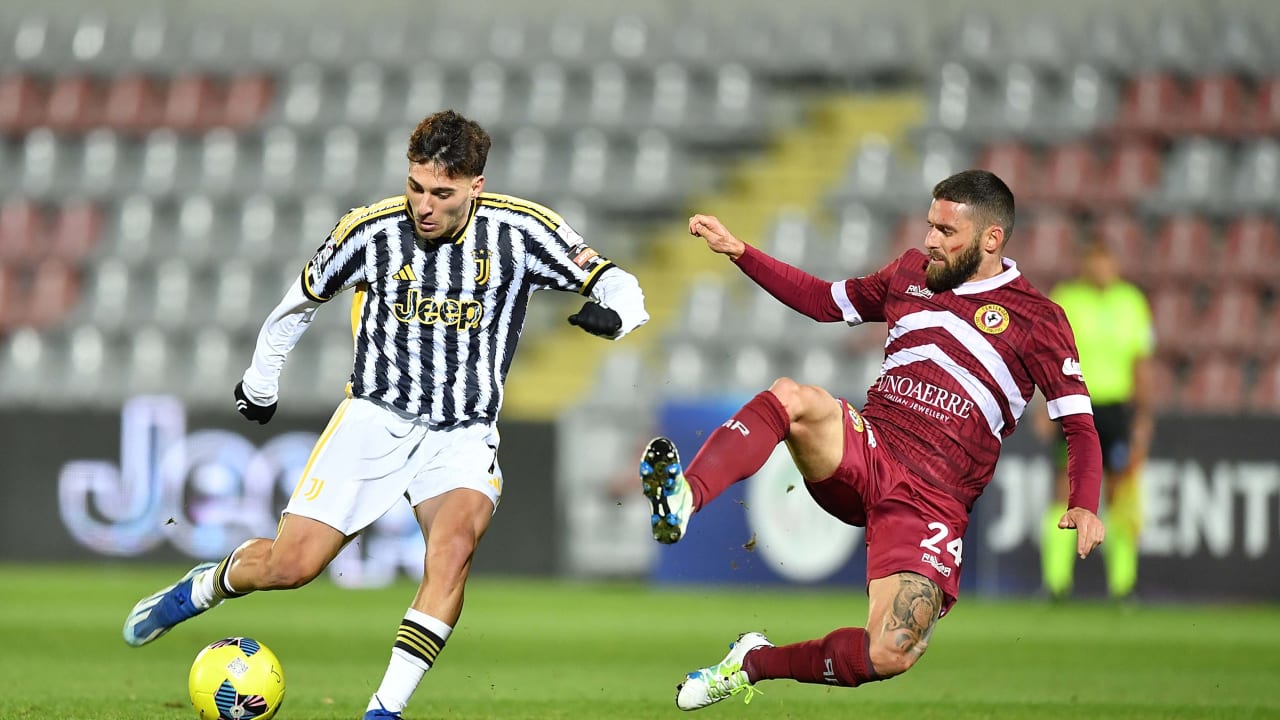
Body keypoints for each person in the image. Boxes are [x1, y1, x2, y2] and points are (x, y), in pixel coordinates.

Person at [123, 109, 649, 720]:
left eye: (442, 194)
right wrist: (260, 382)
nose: (424, 205)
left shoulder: (522, 232)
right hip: (374, 418)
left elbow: (615, 280)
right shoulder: (370, 232)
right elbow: (298, 303)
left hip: (463, 431)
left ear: (475, 187)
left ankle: (383, 710)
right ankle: (206, 586)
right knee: (291, 567)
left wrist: (617, 316)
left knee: (452, 550)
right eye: (416, 187)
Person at [639, 169, 1105, 711]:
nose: (930, 239)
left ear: (991, 239)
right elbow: (823, 301)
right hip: (870, 448)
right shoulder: (909, 273)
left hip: (934, 502)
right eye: (930, 225)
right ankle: (685, 497)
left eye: (946, 232)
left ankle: (751, 663)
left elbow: (1078, 423)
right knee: (794, 397)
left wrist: (1084, 501)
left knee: (890, 652)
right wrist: (739, 251)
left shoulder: (1038, 319)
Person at [1039, 241, 1154, 602]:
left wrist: (1143, 417)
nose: (1103, 269)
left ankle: (1124, 585)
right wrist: (1045, 407)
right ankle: (1056, 584)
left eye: (1108, 262)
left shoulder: (1131, 301)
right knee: (1064, 490)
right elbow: (1047, 358)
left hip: (1117, 410)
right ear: (1085, 264)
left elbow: (1141, 364)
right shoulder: (1067, 299)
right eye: (1096, 262)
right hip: (1074, 406)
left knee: (1122, 492)